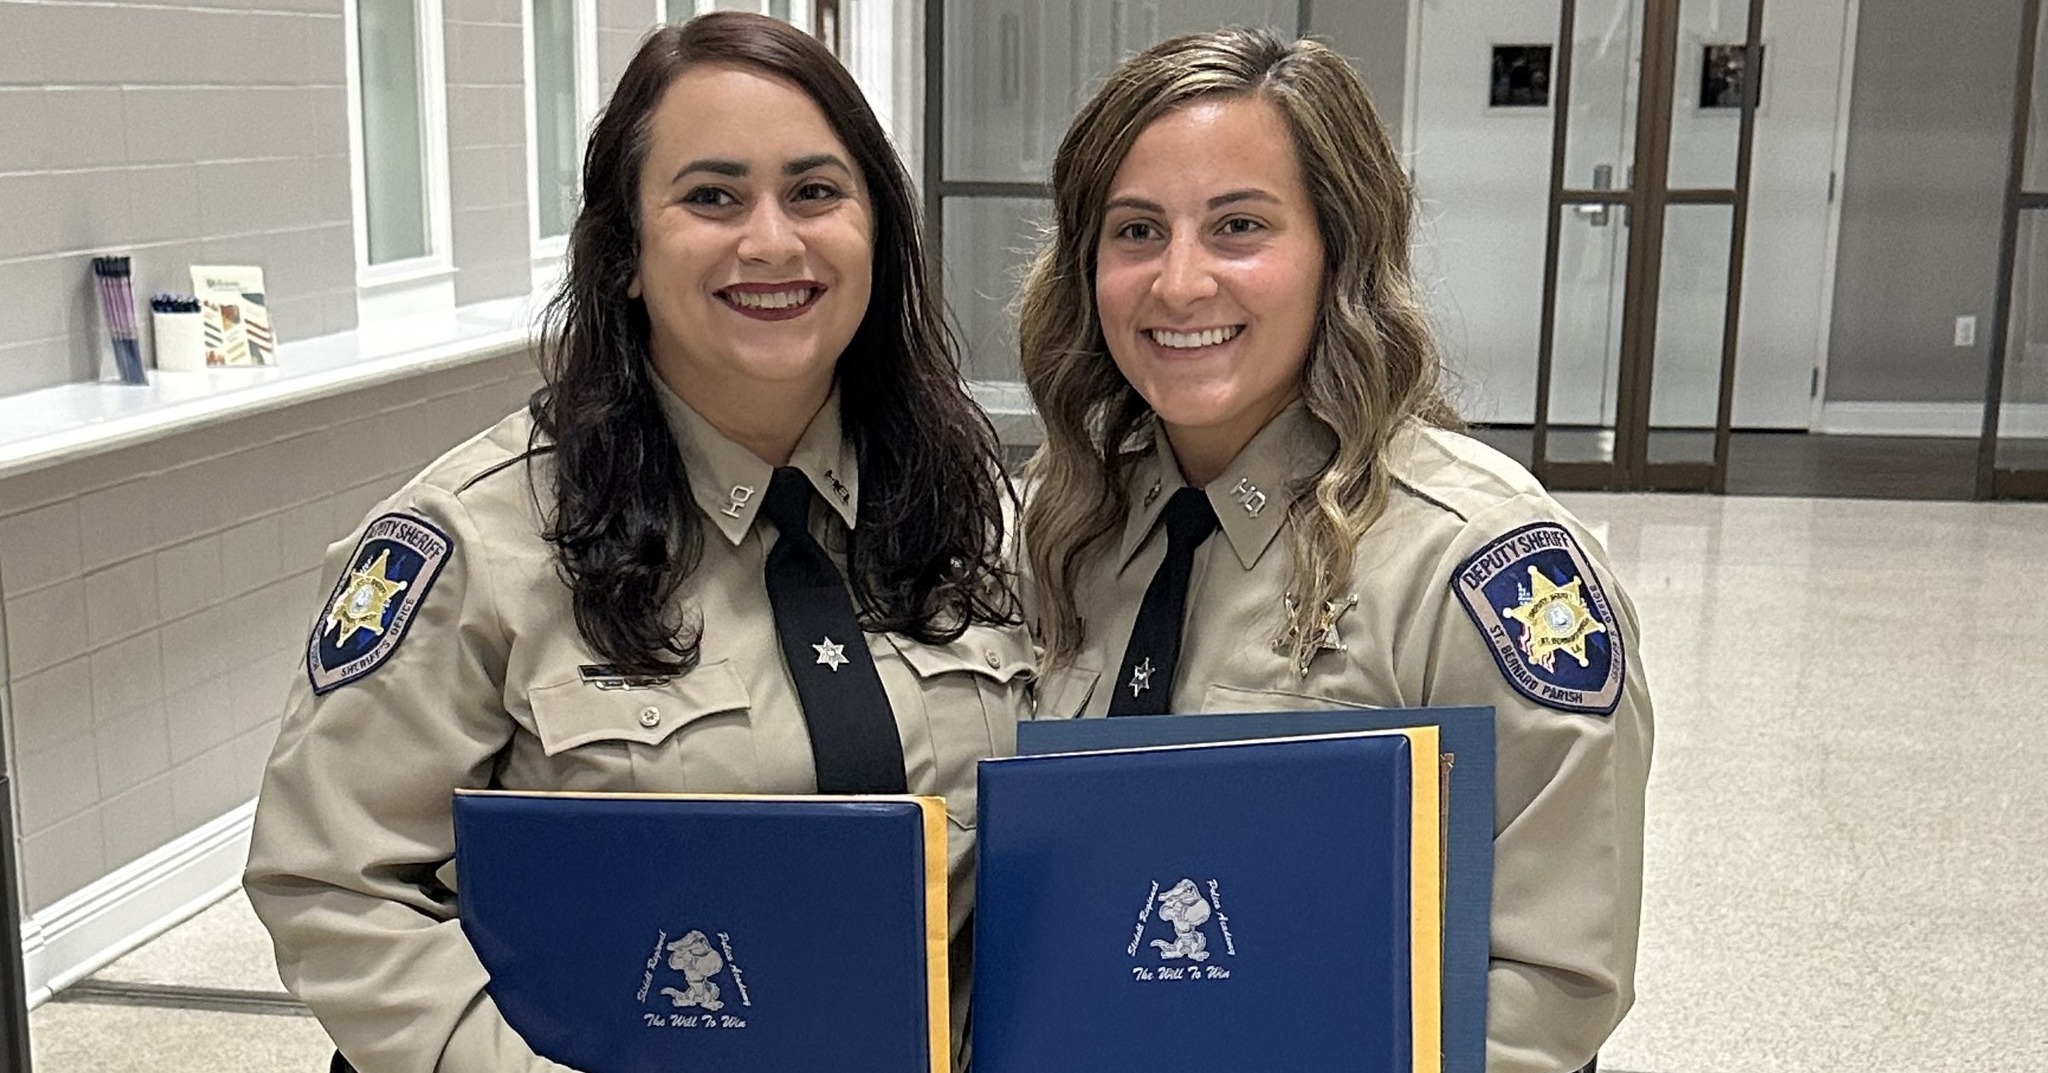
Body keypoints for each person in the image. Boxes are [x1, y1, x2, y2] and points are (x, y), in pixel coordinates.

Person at [244, 13, 1030, 1073]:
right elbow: (336, 883)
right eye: (710, 196)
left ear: (876, 232)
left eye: (814, 191)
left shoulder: (972, 506)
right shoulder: (470, 543)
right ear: (622, 254)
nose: (770, 241)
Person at [1018, 26, 1651, 1073]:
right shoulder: (1054, 522)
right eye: (1135, 230)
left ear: (1338, 250)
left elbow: (1550, 989)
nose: (1177, 283)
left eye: (1237, 226)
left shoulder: (1483, 563)